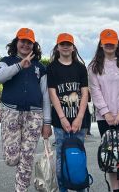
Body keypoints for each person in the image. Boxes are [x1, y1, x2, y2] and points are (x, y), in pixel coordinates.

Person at [0, 28, 52, 192]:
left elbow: (45, 95)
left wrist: (47, 122)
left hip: (34, 115)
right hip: (11, 112)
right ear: (16, 42)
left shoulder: (40, 67)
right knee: (11, 158)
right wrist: (20, 65)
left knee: (27, 157)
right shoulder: (6, 61)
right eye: (22, 41)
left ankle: (21, 189)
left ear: (33, 45)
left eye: (29, 42)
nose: (25, 45)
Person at [88, 29, 119, 192]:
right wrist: (105, 112)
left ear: (117, 44)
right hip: (104, 118)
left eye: (112, 43)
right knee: (110, 156)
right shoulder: (94, 66)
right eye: (106, 42)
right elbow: (95, 91)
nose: (109, 45)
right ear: (101, 44)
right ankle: (114, 189)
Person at [46, 32, 88, 192]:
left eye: (68, 44)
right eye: (62, 44)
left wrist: (79, 117)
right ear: (57, 47)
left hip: (79, 120)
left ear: (73, 47)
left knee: (78, 155)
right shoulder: (52, 68)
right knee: (61, 156)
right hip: (60, 120)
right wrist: (62, 118)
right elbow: (52, 93)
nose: (65, 47)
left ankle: (79, 186)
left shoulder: (80, 68)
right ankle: (63, 188)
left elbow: (84, 93)